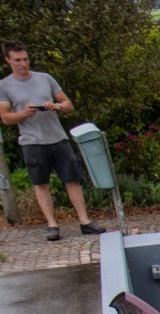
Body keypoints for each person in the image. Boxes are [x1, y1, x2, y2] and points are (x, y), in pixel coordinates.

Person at [0, 40, 105, 241]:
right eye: (18, 60)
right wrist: (24, 113)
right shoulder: (4, 86)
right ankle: (52, 225)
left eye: (25, 59)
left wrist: (56, 106)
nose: (23, 64)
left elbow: (68, 104)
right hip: (32, 141)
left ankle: (84, 221)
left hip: (57, 137)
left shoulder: (45, 78)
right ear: (8, 61)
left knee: (72, 179)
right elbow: (5, 118)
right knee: (41, 183)